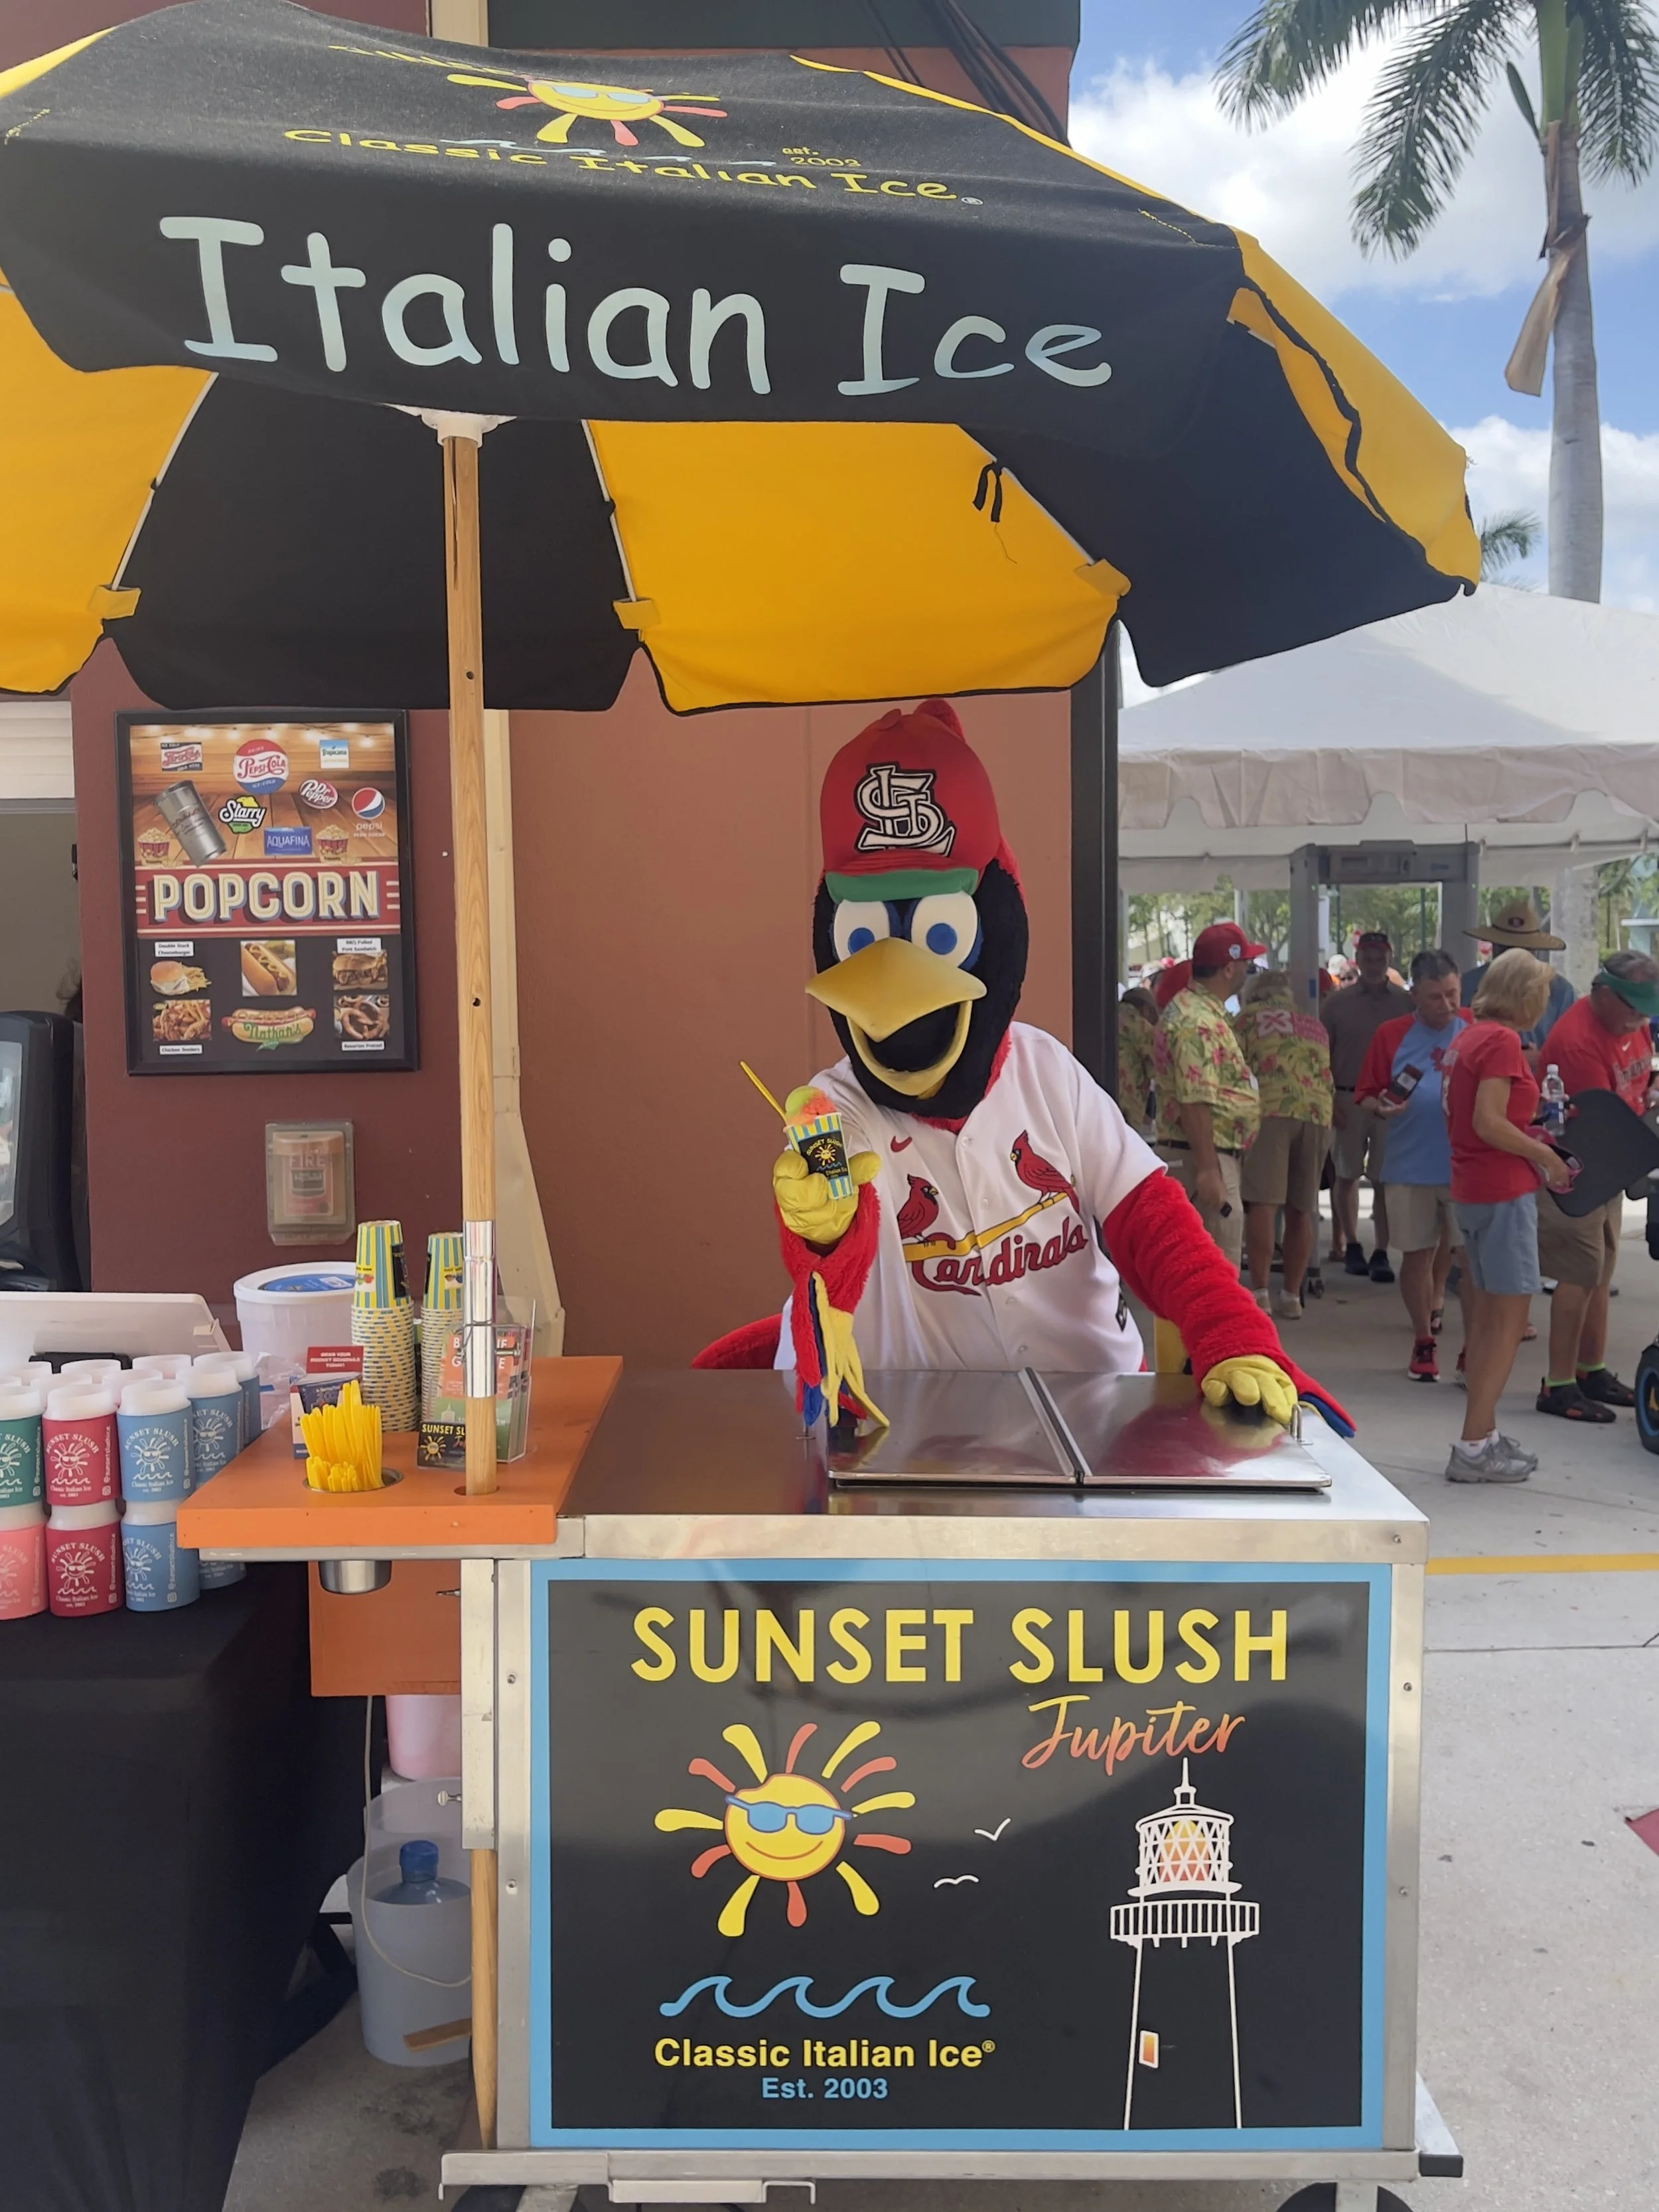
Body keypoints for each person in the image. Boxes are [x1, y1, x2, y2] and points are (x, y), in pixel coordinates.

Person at [695, 701, 1348, 1436]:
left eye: (941, 931)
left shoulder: (1044, 1068)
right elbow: (836, 1234)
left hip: (1099, 1413)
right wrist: (825, 1226)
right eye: (865, 938)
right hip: (917, 1434)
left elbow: (1148, 1217)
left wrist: (1234, 1335)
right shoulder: (836, 1105)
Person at [1440, 948, 1573, 1482]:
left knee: (1491, 1315)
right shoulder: (1500, 1041)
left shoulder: (1469, 1034)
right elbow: (1490, 1122)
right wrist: (1545, 1155)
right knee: (1508, 1320)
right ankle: (1474, 1443)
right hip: (1501, 1191)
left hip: (1474, 1187)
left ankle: (1485, 1432)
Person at [1532, 948, 1659, 1420]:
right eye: (1633, 1008)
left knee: (1602, 1272)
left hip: (1616, 1163)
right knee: (1578, 1272)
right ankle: (1558, 1384)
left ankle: (1592, 1368)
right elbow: (1605, 1121)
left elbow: (1640, 1081)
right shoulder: (1577, 1041)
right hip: (1579, 1167)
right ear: (1603, 993)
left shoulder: (1635, 1023)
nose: (1640, 1020)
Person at [1354, 949, 1469, 1382]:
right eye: (1436, 997)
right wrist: (1379, 1107)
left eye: (1453, 994)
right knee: (1416, 1256)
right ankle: (1424, 1339)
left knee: (1468, 1259)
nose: (1447, 1005)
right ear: (1415, 996)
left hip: (1465, 1167)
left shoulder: (1475, 1029)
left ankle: (1472, 1348)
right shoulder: (1391, 1034)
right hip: (1408, 1166)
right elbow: (1365, 1093)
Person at [1152, 923, 1265, 1269]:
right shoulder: (1196, 1021)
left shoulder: (1200, 1011)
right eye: (1246, 962)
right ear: (1229, 968)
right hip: (1201, 1157)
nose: (1249, 969)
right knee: (1214, 1272)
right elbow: (1194, 1099)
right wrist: (1208, 1170)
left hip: (1207, 1155)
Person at [1232, 969, 1331, 1319]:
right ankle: (1292, 1294)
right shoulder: (1313, 1024)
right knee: (1301, 1208)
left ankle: (1260, 1292)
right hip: (1317, 1114)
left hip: (1269, 1111)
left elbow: (1234, 1069)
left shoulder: (1245, 1021)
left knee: (1263, 1203)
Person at [1321, 931, 1411, 1281]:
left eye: (1380, 958)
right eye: (1367, 957)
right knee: (1346, 1174)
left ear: (1389, 959)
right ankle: (1353, 1245)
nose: (1374, 964)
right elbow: (1320, 1056)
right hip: (1346, 1095)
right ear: (1357, 960)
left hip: (1391, 1100)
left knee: (1385, 1179)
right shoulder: (1337, 1005)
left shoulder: (1405, 1004)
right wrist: (1329, 1100)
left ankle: (1381, 1252)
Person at [1461, 899, 1574, 1051]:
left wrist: (1539, 1060)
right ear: (1495, 947)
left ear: (1535, 951)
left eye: (1521, 951)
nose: (1513, 959)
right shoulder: (1465, 986)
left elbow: (1568, 1049)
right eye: (1507, 949)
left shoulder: (1559, 991)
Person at [1117, 986, 1159, 1137]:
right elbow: (1162, 1070)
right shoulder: (1138, 1024)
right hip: (1125, 1108)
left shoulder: (1110, 1014)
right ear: (1146, 1010)